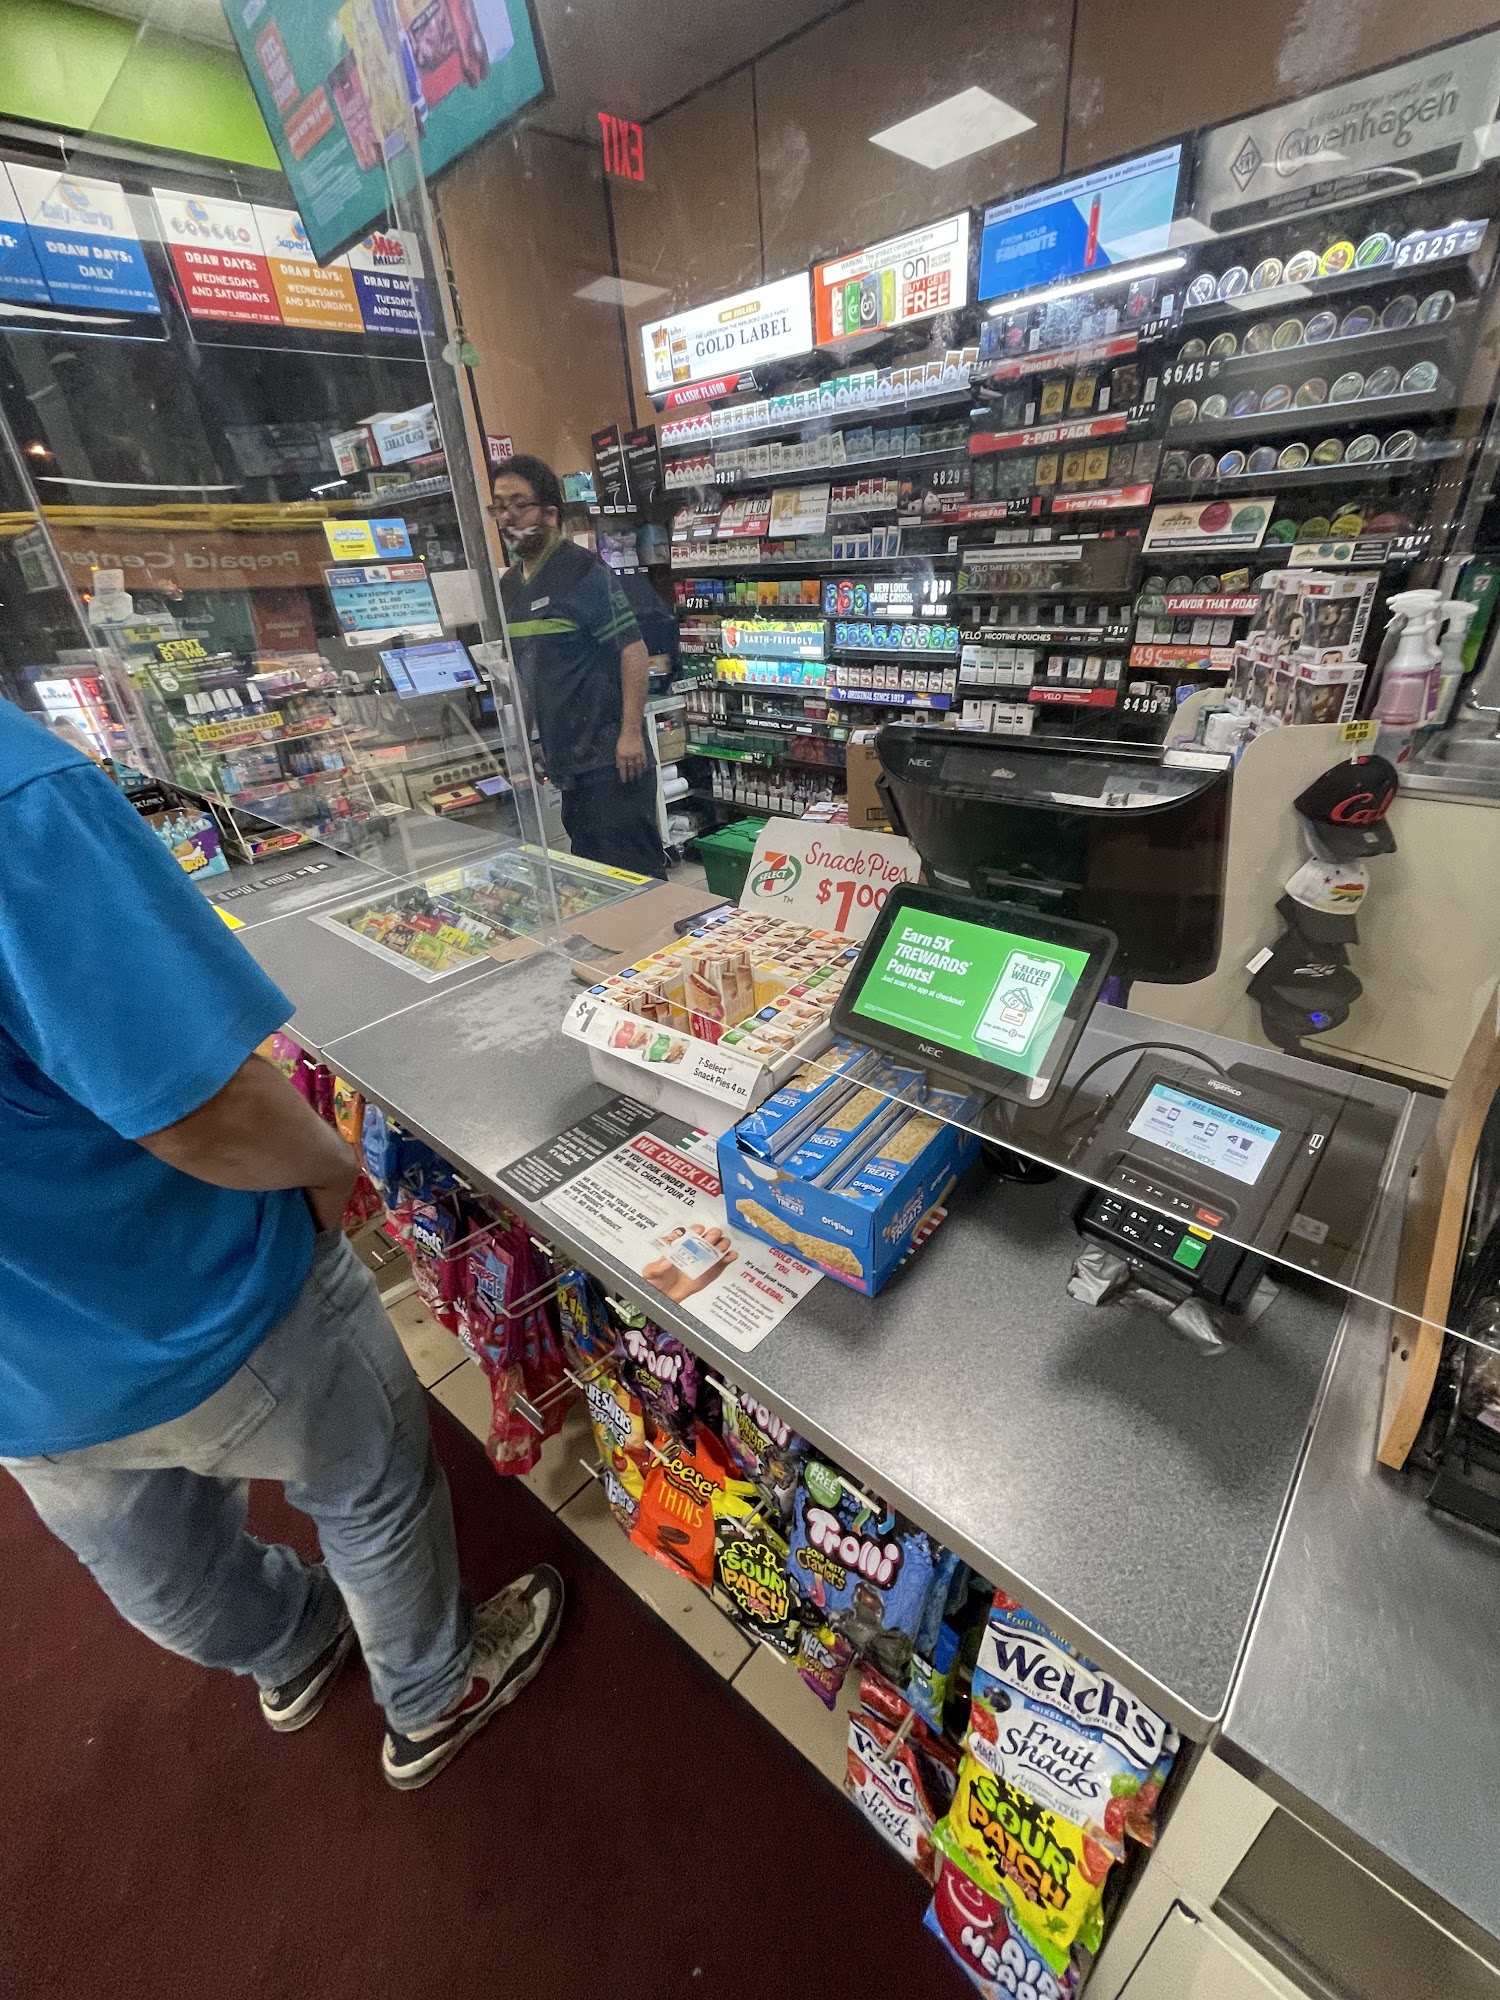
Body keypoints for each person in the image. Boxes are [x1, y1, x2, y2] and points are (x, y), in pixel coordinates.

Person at [0, 696, 562, 1790]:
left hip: (26, 1383)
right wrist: (328, 1170)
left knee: (160, 1566)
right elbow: (196, 1100)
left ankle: (292, 1644)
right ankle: (433, 1691)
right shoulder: (24, 793)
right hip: (197, 1291)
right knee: (370, 1478)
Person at [492, 454, 669, 879]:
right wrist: (523, 744)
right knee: (593, 875)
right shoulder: (510, 587)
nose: (508, 516)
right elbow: (524, 672)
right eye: (499, 506)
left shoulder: (583, 572)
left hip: (611, 760)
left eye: (520, 504)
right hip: (565, 762)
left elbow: (633, 651)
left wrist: (630, 734)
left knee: (635, 875)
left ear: (550, 513)